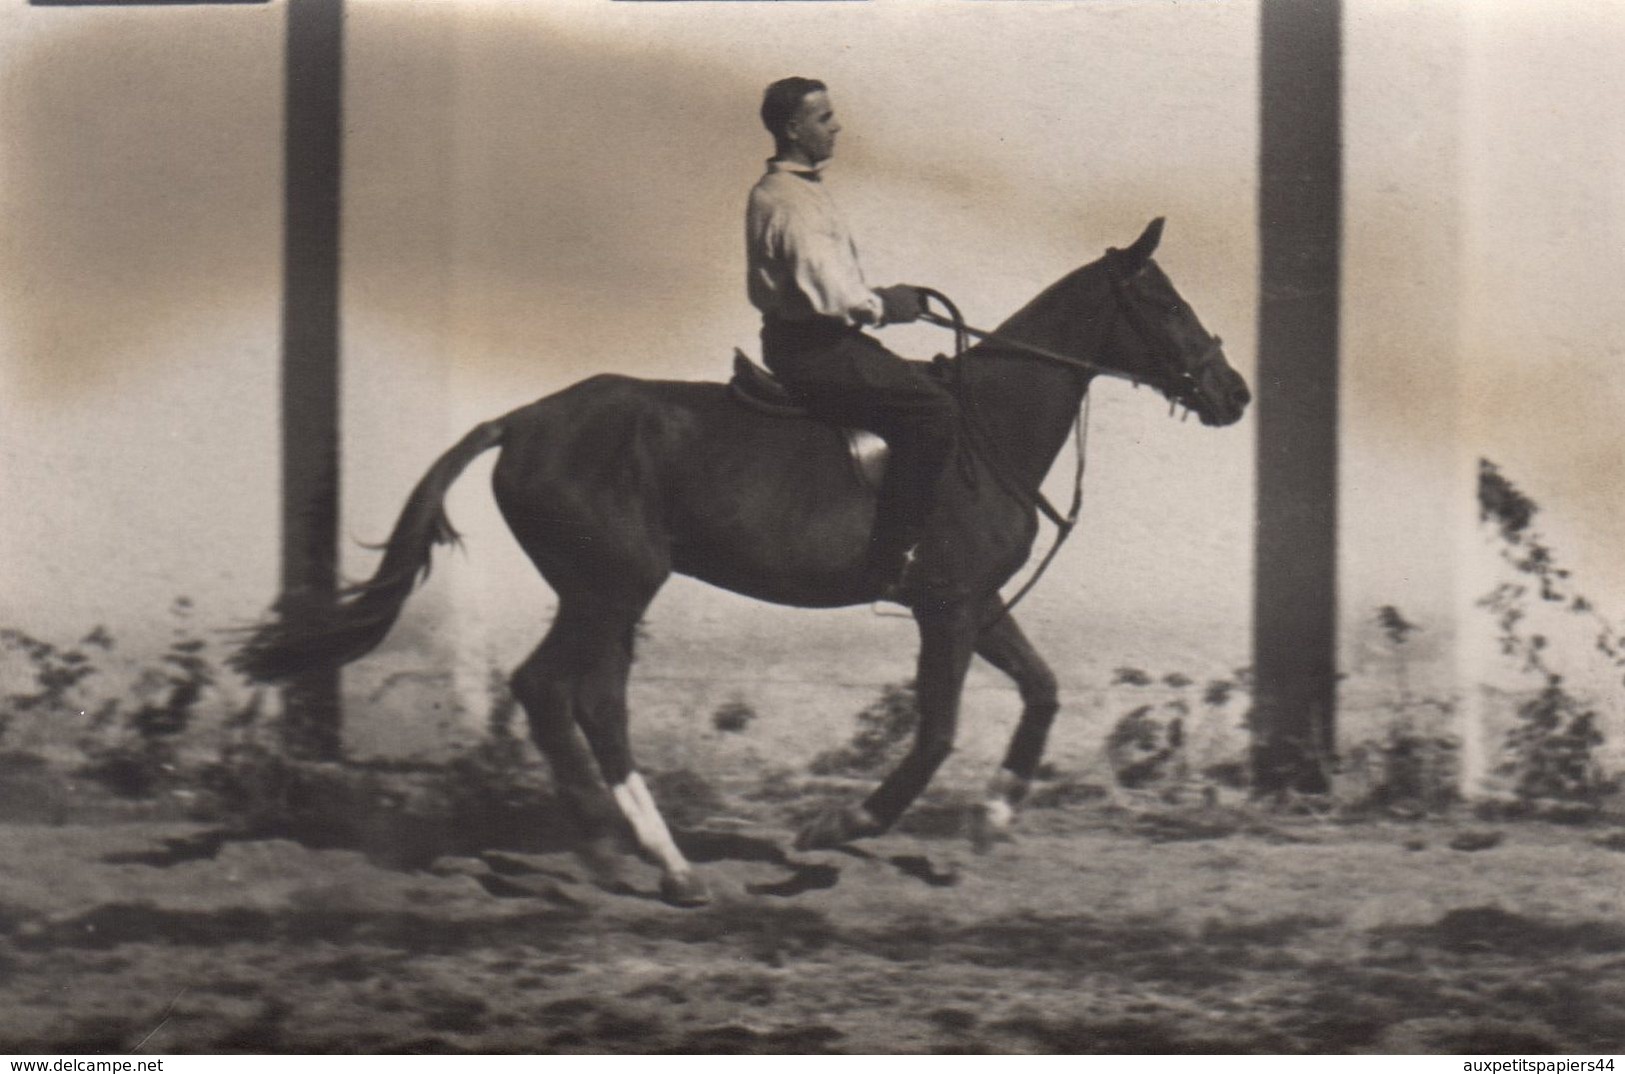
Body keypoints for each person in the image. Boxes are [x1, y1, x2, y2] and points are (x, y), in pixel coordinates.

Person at [746, 76, 959, 599]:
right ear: (794, 128)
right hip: (816, 350)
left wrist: (879, 296)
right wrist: (886, 306)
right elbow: (829, 294)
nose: (836, 125)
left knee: (932, 382)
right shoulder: (789, 200)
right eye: (824, 118)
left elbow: (828, 284)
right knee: (935, 412)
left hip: (825, 342)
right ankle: (893, 558)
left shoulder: (797, 190)